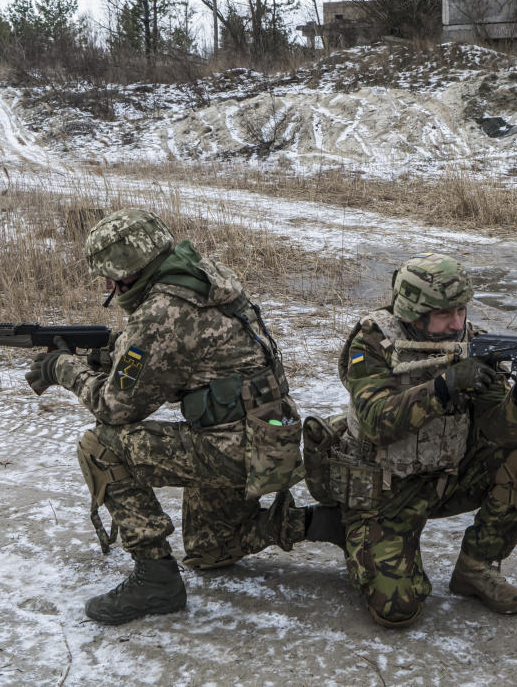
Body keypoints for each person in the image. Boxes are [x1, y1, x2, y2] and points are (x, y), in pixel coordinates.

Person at [27, 208, 342, 625]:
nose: (106, 285)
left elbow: (115, 407)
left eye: (109, 274)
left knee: (101, 444)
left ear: (130, 267)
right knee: (210, 550)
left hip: (234, 448)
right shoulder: (202, 276)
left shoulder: (162, 312)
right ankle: (320, 524)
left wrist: (62, 368)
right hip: (270, 438)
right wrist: (114, 353)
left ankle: (155, 579)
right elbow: (184, 354)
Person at [329, 252, 517, 627]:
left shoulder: (471, 341)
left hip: (446, 477)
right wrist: (444, 388)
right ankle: (347, 530)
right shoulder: (374, 341)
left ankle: (475, 567)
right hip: (384, 490)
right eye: (445, 315)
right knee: (397, 609)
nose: (457, 323)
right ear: (414, 314)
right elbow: (375, 421)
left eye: (462, 311)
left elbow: (500, 432)